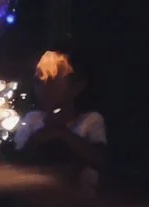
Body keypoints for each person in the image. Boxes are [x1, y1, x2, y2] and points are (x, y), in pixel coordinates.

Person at [11, 46, 107, 192]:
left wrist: (62, 134)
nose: (44, 87)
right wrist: (39, 137)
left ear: (77, 86)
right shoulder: (32, 120)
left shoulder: (90, 121)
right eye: (38, 81)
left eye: (52, 80)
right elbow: (17, 162)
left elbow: (101, 160)